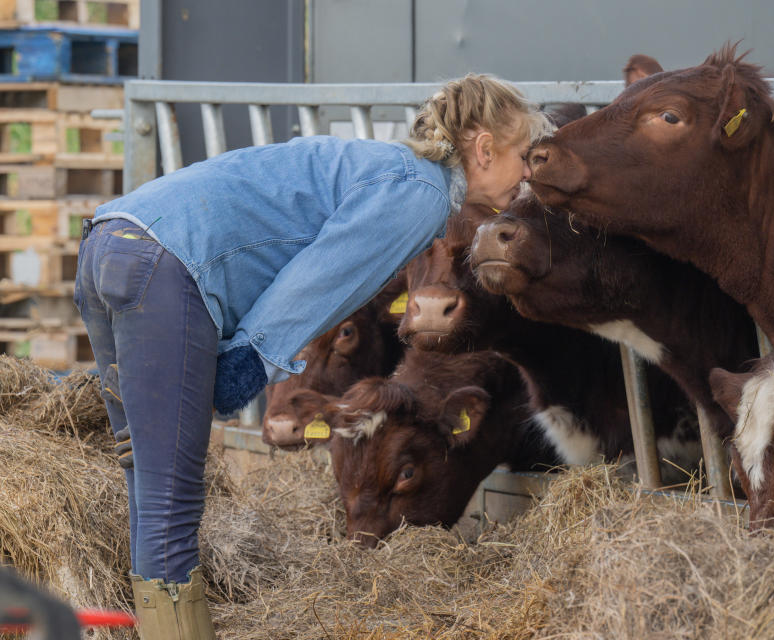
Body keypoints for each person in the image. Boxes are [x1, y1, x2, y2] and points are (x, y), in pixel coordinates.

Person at [73, 73, 551, 640]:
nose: (527, 173)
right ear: (484, 148)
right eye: (524, 155)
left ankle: (134, 627)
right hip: (163, 266)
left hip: (110, 243)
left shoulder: (374, 165)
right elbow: (314, 286)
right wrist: (237, 375)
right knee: (172, 495)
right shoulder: (420, 193)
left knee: (146, 471)